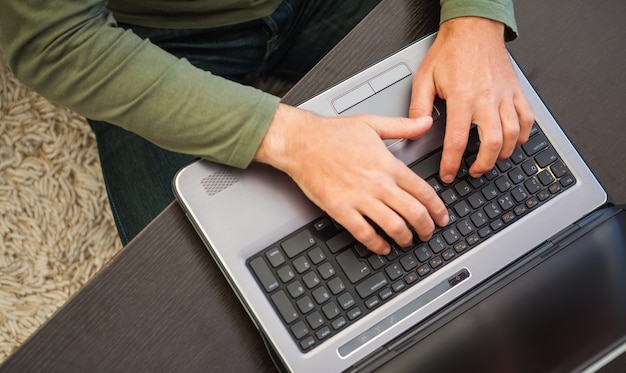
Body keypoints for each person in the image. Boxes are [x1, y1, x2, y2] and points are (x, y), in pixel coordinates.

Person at [0, 0, 534, 255]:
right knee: (195, 289)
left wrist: (475, 18)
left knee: (500, 145)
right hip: (155, 38)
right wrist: (288, 137)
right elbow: (55, 40)